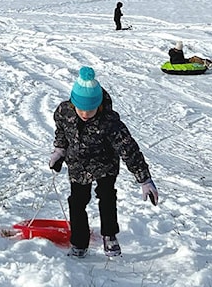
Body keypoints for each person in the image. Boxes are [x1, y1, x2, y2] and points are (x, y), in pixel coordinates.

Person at [49, 66, 158, 258]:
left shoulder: (109, 122)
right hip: (78, 166)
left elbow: (129, 149)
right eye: (80, 108)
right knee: (77, 202)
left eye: (90, 109)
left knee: (107, 198)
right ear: (73, 103)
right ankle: (79, 243)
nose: (85, 113)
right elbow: (61, 131)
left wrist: (144, 179)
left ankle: (109, 236)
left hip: (105, 166)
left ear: (98, 105)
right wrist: (60, 150)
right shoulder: (64, 111)